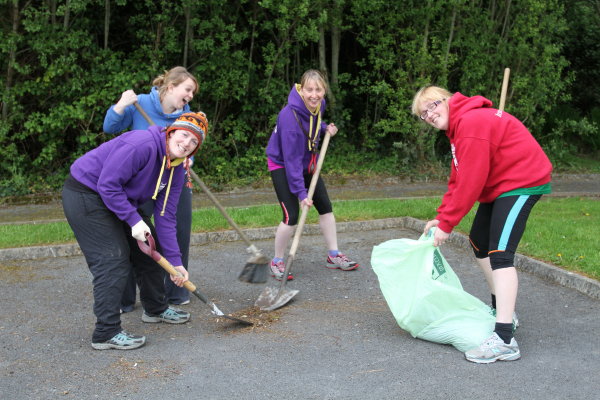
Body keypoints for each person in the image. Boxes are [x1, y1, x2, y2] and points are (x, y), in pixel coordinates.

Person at [411, 85, 552, 363]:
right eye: (423, 114)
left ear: (448, 100)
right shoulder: (459, 129)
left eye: (432, 106)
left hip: (522, 182)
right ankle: (504, 311)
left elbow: (472, 182)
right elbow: (458, 179)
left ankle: (504, 340)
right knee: (479, 242)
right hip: (500, 185)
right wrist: (442, 215)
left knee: (500, 255)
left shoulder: (471, 123)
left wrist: (448, 226)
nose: (429, 115)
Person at [62, 112, 208, 350]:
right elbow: (107, 184)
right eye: (184, 135)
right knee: (112, 260)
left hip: (118, 198)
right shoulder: (142, 145)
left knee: (151, 251)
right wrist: (132, 219)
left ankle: (156, 308)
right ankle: (105, 333)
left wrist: (175, 262)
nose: (187, 144)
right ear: (172, 132)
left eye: (194, 142)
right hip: (86, 193)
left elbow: (166, 216)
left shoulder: (177, 169)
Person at [103, 66, 198, 309]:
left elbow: (188, 145)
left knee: (177, 230)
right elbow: (110, 127)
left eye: (193, 93)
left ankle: (175, 292)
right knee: (132, 236)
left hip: (172, 179)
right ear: (171, 86)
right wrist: (121, 105)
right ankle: (125, 299)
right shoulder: (141, 104)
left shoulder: (186, 115)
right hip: (140, 182)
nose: (190, 96)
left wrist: (189, 159)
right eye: (187, 90)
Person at [265, 69, 359, 281]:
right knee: (291, 216)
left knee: (325, 207)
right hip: (282, 165)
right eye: (309, 90)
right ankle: (277, 260)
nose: (314, 95)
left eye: (318, 90)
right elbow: (291, 160)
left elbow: (312, 127)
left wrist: (325, 128)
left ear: (324, 91)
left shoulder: (319, 106)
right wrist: (301, 193)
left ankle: (333, 255)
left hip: (307, 163)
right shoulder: (288, 117)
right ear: (301, 90)